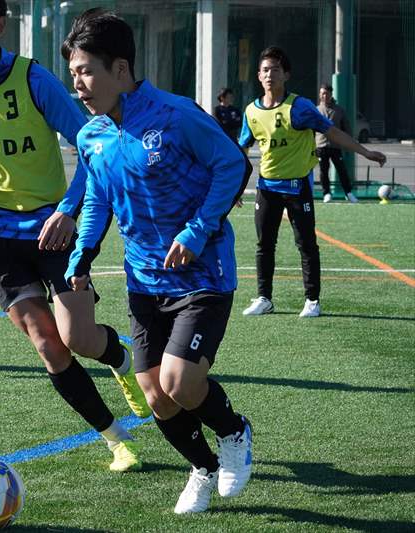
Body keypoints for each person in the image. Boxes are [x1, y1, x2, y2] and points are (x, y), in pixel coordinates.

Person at [0, 0, 151, 472]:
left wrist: (69, 211)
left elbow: (91, 144)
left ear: (0, 26)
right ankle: (115, 439)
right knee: (48, 343)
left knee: (79, 339)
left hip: (53, 230)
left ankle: (118, 357)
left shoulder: (33, 79)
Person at [62, 8, 253, 514]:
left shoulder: (176, 114)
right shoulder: (91, 136)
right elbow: (98, 200)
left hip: (203, 275)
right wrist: (82, 255)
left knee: (180, 381)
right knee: (156, 396)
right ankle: (203, 468)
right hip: (144, 281)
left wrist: (197, 229)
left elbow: (232, 164)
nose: (77, 84)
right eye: (73, 73)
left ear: (120, 70)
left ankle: (234, 432)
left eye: (85, 71)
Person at [239, 46, 386, 318]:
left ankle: (312, 300)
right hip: (267, 188)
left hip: (297, 188)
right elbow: (241, 151)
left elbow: (332, 132)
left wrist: (365, 152)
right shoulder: (251, 111)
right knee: (264, 245)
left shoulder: (300, 107)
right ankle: (264, 298)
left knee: (306, 244)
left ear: (286, 75)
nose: (270, 74)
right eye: (265, 70)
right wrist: (234, 188)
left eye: (275, 69)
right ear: (258, 76)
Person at [315, 84, 357, 203]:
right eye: (322, 93)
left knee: (342, 170)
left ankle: (348, 193)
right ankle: (326, 193)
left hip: (336, 146)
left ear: (331, 94)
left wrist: (349, 143)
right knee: (323, 171)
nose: (325, 96)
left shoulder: (339, 110)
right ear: (320, 95)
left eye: (327, 93)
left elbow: (346, 129)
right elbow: (311, 130)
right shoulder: (316, 110)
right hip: (320, 146)